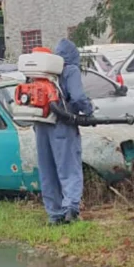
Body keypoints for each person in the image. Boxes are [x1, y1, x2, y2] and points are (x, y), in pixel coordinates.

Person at [35, 39, 94, 224]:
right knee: (69, 168)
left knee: (48, 170)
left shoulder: (41, 69)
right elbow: (77, 98)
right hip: (62, 124)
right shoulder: (70, 70)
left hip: (41, 124)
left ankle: (54, 214)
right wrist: (89, 111)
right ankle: (71, 210)